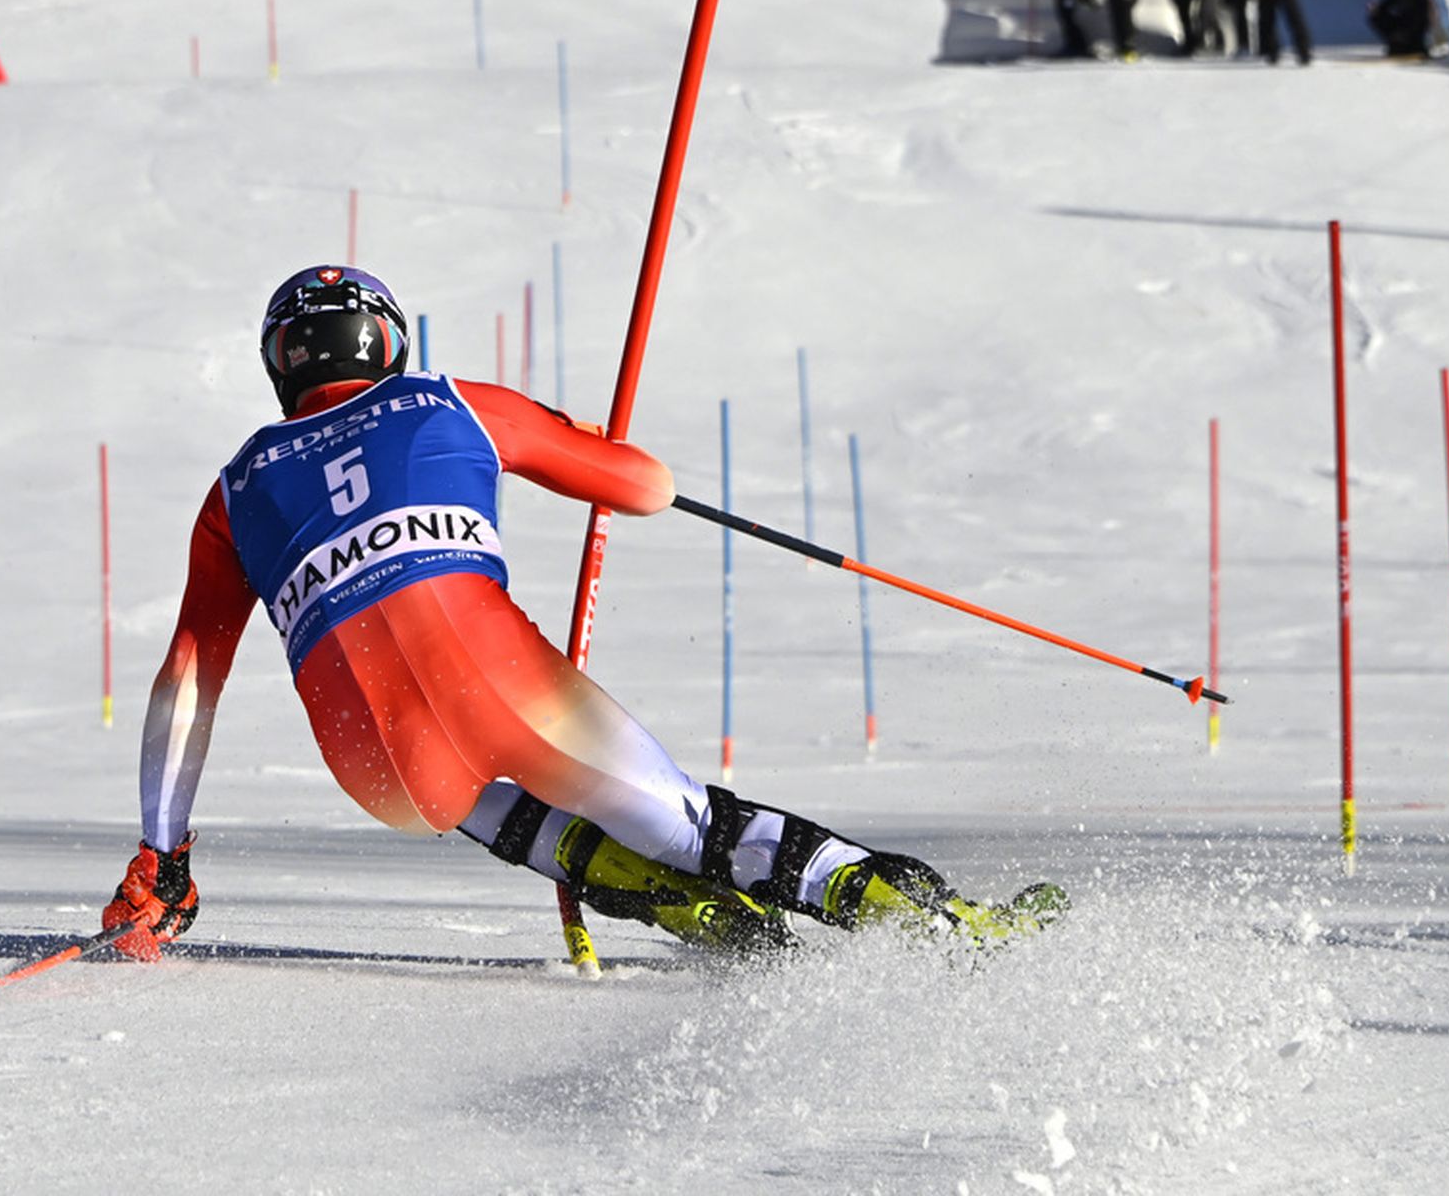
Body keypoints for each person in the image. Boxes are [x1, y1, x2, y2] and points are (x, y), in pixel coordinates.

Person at [102, 269, 1066, 966]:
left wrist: (164, 857)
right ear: (391, 343)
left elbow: (188, 678)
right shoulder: (450, 401)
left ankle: (674, 904)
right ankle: (943, 925)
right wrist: (575, 438)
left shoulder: (235, 487)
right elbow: (646, 487)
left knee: (476, 788)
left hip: (378, 768)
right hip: (500, 684)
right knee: (695, 823)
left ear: (282, 367)